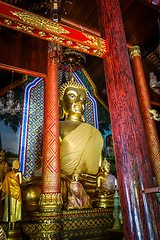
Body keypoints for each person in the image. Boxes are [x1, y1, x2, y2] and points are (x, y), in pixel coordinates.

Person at [59, 66, 104, 178]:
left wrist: (101, 177)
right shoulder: (55, 126)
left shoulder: (94, 132)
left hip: (89, 183)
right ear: (61, 102)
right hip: (62, 181)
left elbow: (99, 166)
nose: (79, 101)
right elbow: (48, 162)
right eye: (72, 96)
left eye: (83, 98)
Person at [1, 160, 22, 230]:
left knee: (9, 207)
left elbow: (5, 185)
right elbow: (21, 182)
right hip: (16, 193)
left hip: (9, 192)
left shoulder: (8, 174)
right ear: (18, 166)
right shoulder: (19, 173)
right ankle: (13, 226)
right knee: (15, 208)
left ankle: (9, 225)